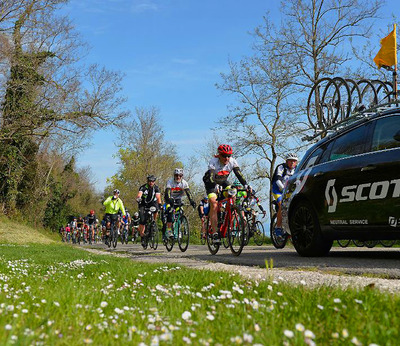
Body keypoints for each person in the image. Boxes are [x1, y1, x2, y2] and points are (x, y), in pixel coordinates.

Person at [203, 144, 250, 243]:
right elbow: (211, 177)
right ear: (219, 155)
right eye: (224, 156)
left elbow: (239, 174)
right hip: (211, 183)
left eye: (229, 155)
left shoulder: (232, 161)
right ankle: (215, 233)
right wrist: (216, 187)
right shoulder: (213, 162)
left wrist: (246, 185)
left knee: (232, 195)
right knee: (214, 204)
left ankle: (227, 215)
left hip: (223, 182)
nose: (227, 158)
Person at [163, 168, 196, 239]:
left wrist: (192, 201)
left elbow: (188, 193)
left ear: (182, 176)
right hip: (169, 198)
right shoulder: (170, 182)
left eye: (180, 176)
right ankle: (169, 231)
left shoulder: (184, 183)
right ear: (174, 175)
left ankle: (178, 229)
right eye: (176, 175)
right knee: (170, 211)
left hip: (178, 199)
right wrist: (169, 200)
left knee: (181, 212)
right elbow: (167, 192)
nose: (178, 177)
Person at [271, 153, 298, 238]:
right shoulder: (281, 167)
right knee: (282, 206)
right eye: (290, 161)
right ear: (286, 161)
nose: (292, 163)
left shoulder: (297, 169)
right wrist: (283, 189)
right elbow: (277, 180)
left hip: (289, 190)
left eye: (294, 161)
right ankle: (278, 227)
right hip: (277, 190)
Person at [136, 175, 162, 246]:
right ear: (147, 181)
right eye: (150, 181)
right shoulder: (143, 187)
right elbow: (139, 194)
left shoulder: (156, 188)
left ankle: (153, 221)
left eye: (153, 181)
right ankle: (142, 236)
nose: (151, 182)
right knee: (142, 220)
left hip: (152, 203)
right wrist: (138, 198)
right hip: (143, 204)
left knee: (156, 209)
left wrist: (160, 204)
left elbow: (158, 197)